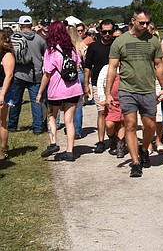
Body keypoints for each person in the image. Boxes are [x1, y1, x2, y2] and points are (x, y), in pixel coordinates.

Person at [105, 6, 163, 178]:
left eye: (147, 23)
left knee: (150, 125)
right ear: (133, 21)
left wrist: (162, 87)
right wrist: (108, 93)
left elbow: (159, 65)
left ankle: (144, 148)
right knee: (130, 125)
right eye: (141, 23)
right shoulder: (120, 41)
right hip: (127, 90)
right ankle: (135, 162)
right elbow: (112, 68)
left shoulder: (153, 41)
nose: (145, 26)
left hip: (147, 90)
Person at [36, 21, 84, 161]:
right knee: (69, 121)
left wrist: (40, 92)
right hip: (73, 88)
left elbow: (47, 74)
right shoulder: (72, 49)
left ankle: (53, 143)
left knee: (51, 115)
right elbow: (77, 65)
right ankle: (70, 151)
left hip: (56, 89)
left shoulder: (51, 51)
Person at [7, 15, 47, 134]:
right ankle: (38, 128)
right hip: (35, 74)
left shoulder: (13, 38)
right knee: (36, 101)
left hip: (18, 73)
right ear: (31, 25)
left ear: (20, 25)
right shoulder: (39, 39)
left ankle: (12, 125)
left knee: (15, 101)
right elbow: (46, 53)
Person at [84, 19, 116, 154]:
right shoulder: (93, 46)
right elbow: (87, 67)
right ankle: (101, 141)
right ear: (100, 31)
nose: (107, 34)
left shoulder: (117, 45)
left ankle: (116, 139)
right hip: (98, 83)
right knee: (101, 111)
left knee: (116, 112)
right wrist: (86, 84)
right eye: (104, 32)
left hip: (116, 83)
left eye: (110, 32)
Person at [0, 32, 16, 160]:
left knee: (1, 121)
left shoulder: (7, 55)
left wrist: (2, 95)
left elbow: (9, 76)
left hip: (2, 89)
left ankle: (3, 149)